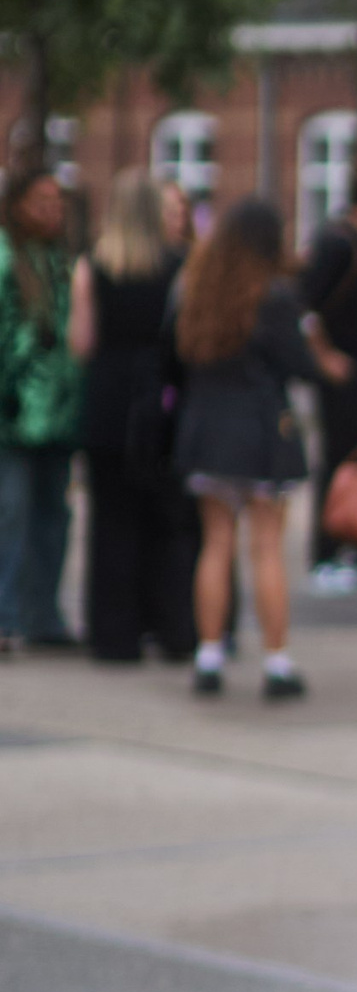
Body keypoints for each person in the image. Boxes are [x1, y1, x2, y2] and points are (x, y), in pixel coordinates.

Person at [172, 198, 309, 701]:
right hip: (261, 427)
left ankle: (208, 653)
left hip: (208, 427)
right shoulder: (272, 296)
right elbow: (295, 363)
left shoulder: (196, 289)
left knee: (215, 543)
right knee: (266, 546)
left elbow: (177, 356)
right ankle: (276, 660)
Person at [72, 168, 197, 664]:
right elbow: (185, 341)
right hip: (161, 400)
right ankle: (171, 626)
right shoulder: (179, 267)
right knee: (166, 520)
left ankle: (113, 635)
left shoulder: (93, 266)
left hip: (109, 399)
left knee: (110, 520)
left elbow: (82, 341)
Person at [0, 163, 84, 649]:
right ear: (17, 207)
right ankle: (6, 614)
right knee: (10, 514)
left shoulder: (60, 260)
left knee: (53, 515)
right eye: (42, 203)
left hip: (58, 413)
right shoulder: (6, 256)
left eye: (57, 203)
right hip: (14, 413)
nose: (52, 212)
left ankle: (42, 616)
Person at [300, 163, 357, 591]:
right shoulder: (336, 240)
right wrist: (325, 357)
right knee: (336, 458)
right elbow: (304, 305)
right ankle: (326, 551)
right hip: (342, 372)